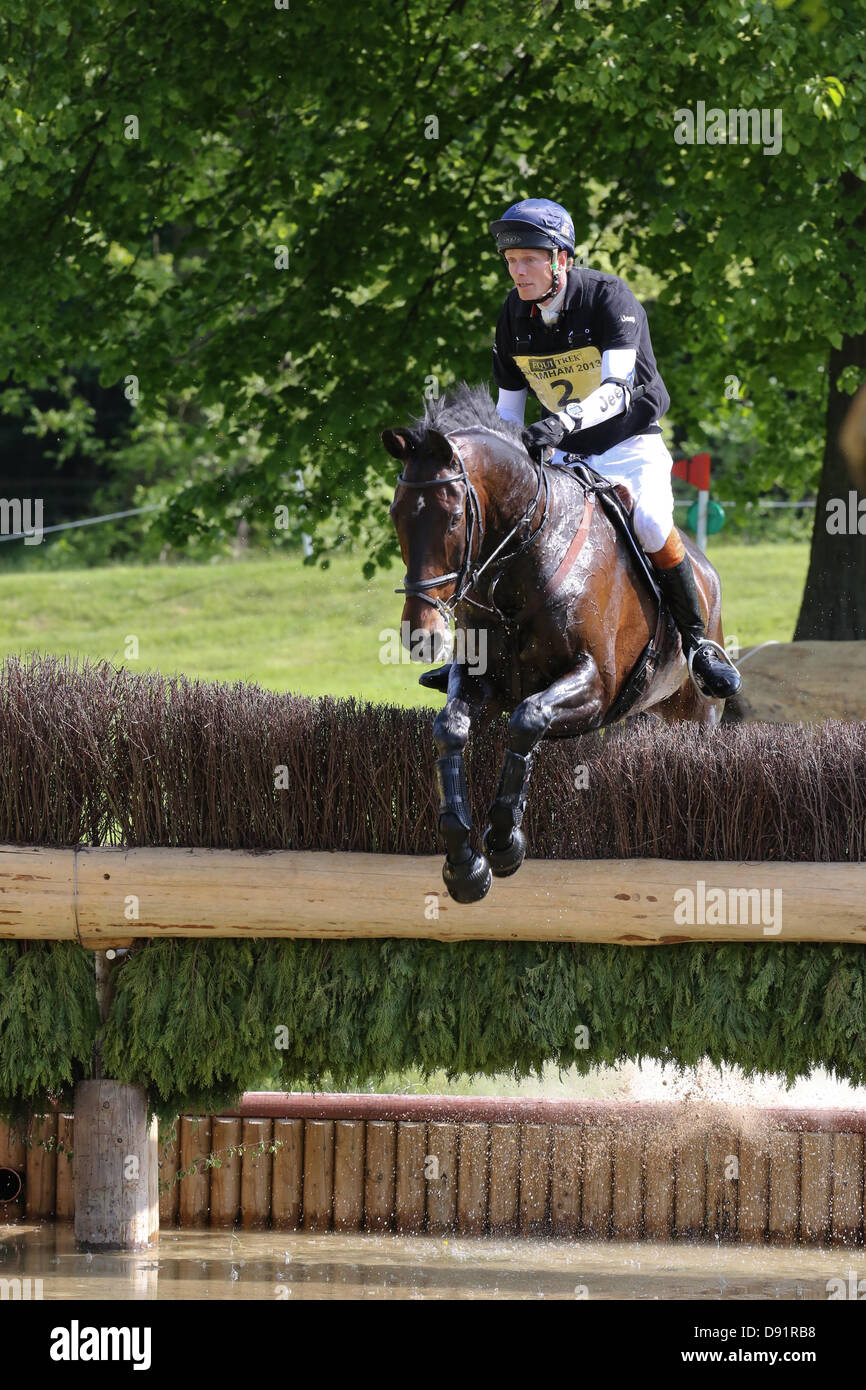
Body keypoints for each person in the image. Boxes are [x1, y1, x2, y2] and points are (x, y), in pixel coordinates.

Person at [421, 197, 740, 700]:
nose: (518, 272)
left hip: (627, 445)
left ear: (561, 260)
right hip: (564, 458)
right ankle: (475, 655)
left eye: (529, 259)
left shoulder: (609, 298)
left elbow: (617, 389)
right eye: (511, 261)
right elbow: (508, 413)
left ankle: (698, 644)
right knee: (504, 527)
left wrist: (560, 422)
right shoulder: (514, 314)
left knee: (653, 524)